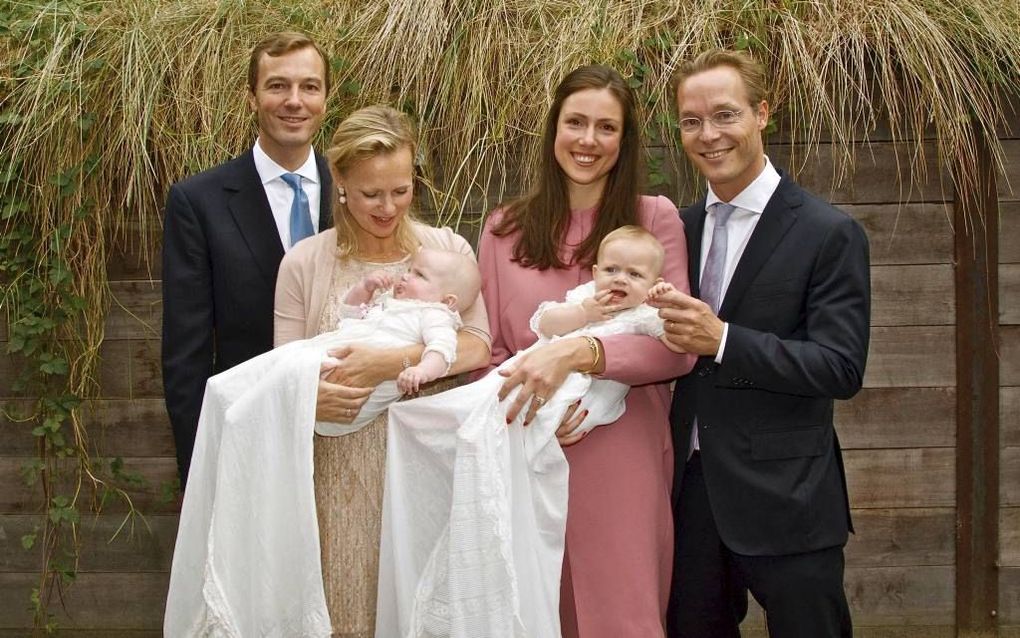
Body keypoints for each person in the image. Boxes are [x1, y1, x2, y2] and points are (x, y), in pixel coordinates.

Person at [654, 48, 871, 638]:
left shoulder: (828, 233)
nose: (708, 135)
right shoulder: (679, 228)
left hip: (790, 499)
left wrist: (723, 339)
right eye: (691, 121)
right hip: (691, 498)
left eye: (725, 115)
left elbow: (841, 366)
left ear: (762, 114)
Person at [476, 65, 696, 637]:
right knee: (533, 613)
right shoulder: (503, 230)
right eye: (575, 122)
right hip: (524, 444)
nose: (588, 141)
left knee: (619, 617)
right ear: (554, 129)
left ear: (624, 142)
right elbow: (494, 350)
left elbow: (678, 347)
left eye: (606, 127)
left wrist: (580, 354)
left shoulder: (655, 219)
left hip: (619, 450)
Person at [378, 225, 673, 637]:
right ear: (594, 272)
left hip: (592, 393)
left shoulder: (644, 315)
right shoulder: (583, 299)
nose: (620, 280)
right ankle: (455, 430)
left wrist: (665, 303)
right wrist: (584, 314)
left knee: (584, 407)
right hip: (533, 371)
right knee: (492, 398)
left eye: (635, 276)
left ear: (653, 283)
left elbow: (675, 340)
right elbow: (545, 322)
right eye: (611, 270)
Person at [273, 104, 491, 636]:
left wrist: (391, 364)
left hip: (427, 466)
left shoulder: (448, 250)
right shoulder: (305, 262)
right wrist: (311, 400)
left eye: (401, 189)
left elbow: (477, 346)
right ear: (340, 181)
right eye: (372, 193)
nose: (388, 206)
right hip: (338, 472)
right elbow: (281, 370)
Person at [161, 31, 333, 485]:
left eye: (309, 87)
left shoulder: (362, 194)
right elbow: (187, 353)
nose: (294, 101)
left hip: (347, 441)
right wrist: (201, 471)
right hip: (248, 444)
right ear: (251, 96)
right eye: (277, 86)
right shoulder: (199, 202)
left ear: (325, 97)